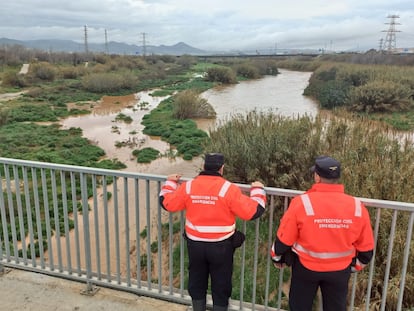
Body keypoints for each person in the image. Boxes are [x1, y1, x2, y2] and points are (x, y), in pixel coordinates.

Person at [159, 153, 267, 311]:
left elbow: (167, 202)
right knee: (221, 284)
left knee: (196, 281)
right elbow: (253, 211)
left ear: (203, 167)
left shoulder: (189, 186)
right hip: (221, 247)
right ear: (222, 169)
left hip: (195, 245)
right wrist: (258, 189)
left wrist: (170, 182)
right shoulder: (228, 189)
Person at [270, 155, 375, 311]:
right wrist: (355, 267)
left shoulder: (302, 202)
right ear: (337, 178)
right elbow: (367, 248)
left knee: (300, 306)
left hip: (306, 268)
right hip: (339, 271)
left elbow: (285, 238)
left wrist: (277, 257)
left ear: (317, 177)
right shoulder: (356, 206)